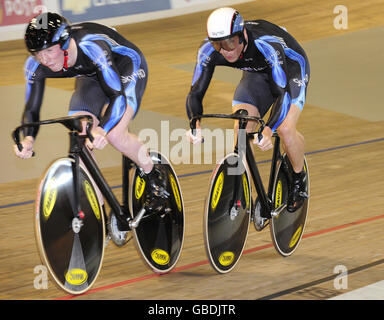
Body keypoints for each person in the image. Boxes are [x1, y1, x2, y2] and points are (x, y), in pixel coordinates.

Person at [14, 12, 168, 235]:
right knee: (81, 140)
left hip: (125, 66)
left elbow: (117, 97)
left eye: (49, 51)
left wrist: (103, 129)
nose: (44, 60)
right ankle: (99, 214)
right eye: (38, 54)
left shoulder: (90, 46)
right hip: (90, 75)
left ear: (65, 44)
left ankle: (154, 173)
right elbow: (31, 109)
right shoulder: (34, 66)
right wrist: (28, 138)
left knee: (115, 134)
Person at [186, 7, 310, 213]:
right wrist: (194, 123)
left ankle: (298, 178)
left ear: (242, 35)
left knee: (286, 129)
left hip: (289, 70)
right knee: (242, 128)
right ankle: (244, 192)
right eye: (219, 45)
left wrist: (269, 129)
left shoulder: (266, 45)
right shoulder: (208, 50)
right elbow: (195, 93)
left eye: (231, 43)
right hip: (257, 73)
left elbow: (282, 94)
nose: (226, 51)